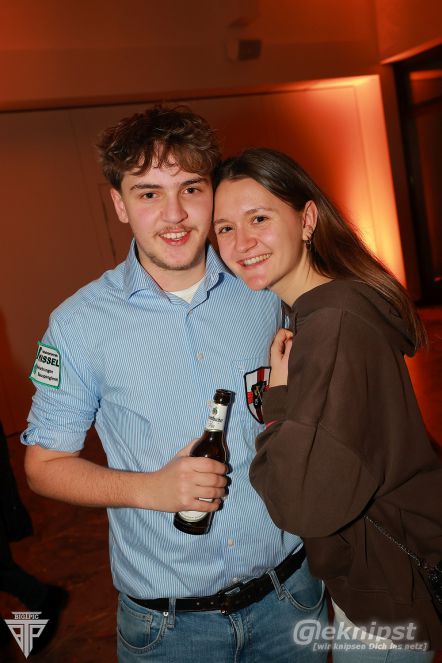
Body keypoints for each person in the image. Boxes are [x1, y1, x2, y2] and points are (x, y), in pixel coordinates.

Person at [21, 107, 327, 662]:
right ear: (119, 204)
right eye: (148, 193)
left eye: (191, 188)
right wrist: (151, 490)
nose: (175, 214)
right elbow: (44, 465)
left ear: (213, 192)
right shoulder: (78, 324)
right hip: (171, 629)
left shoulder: (262, 286)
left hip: (291, 598)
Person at [213, 147, 442, 660]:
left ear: (307, 219)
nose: (241, 242)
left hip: (384, 595)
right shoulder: (330, 306)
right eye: (225, 228)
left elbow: (301, 505)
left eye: (259, 218)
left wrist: (277, 399)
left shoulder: (332, 324)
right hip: (386, 574)